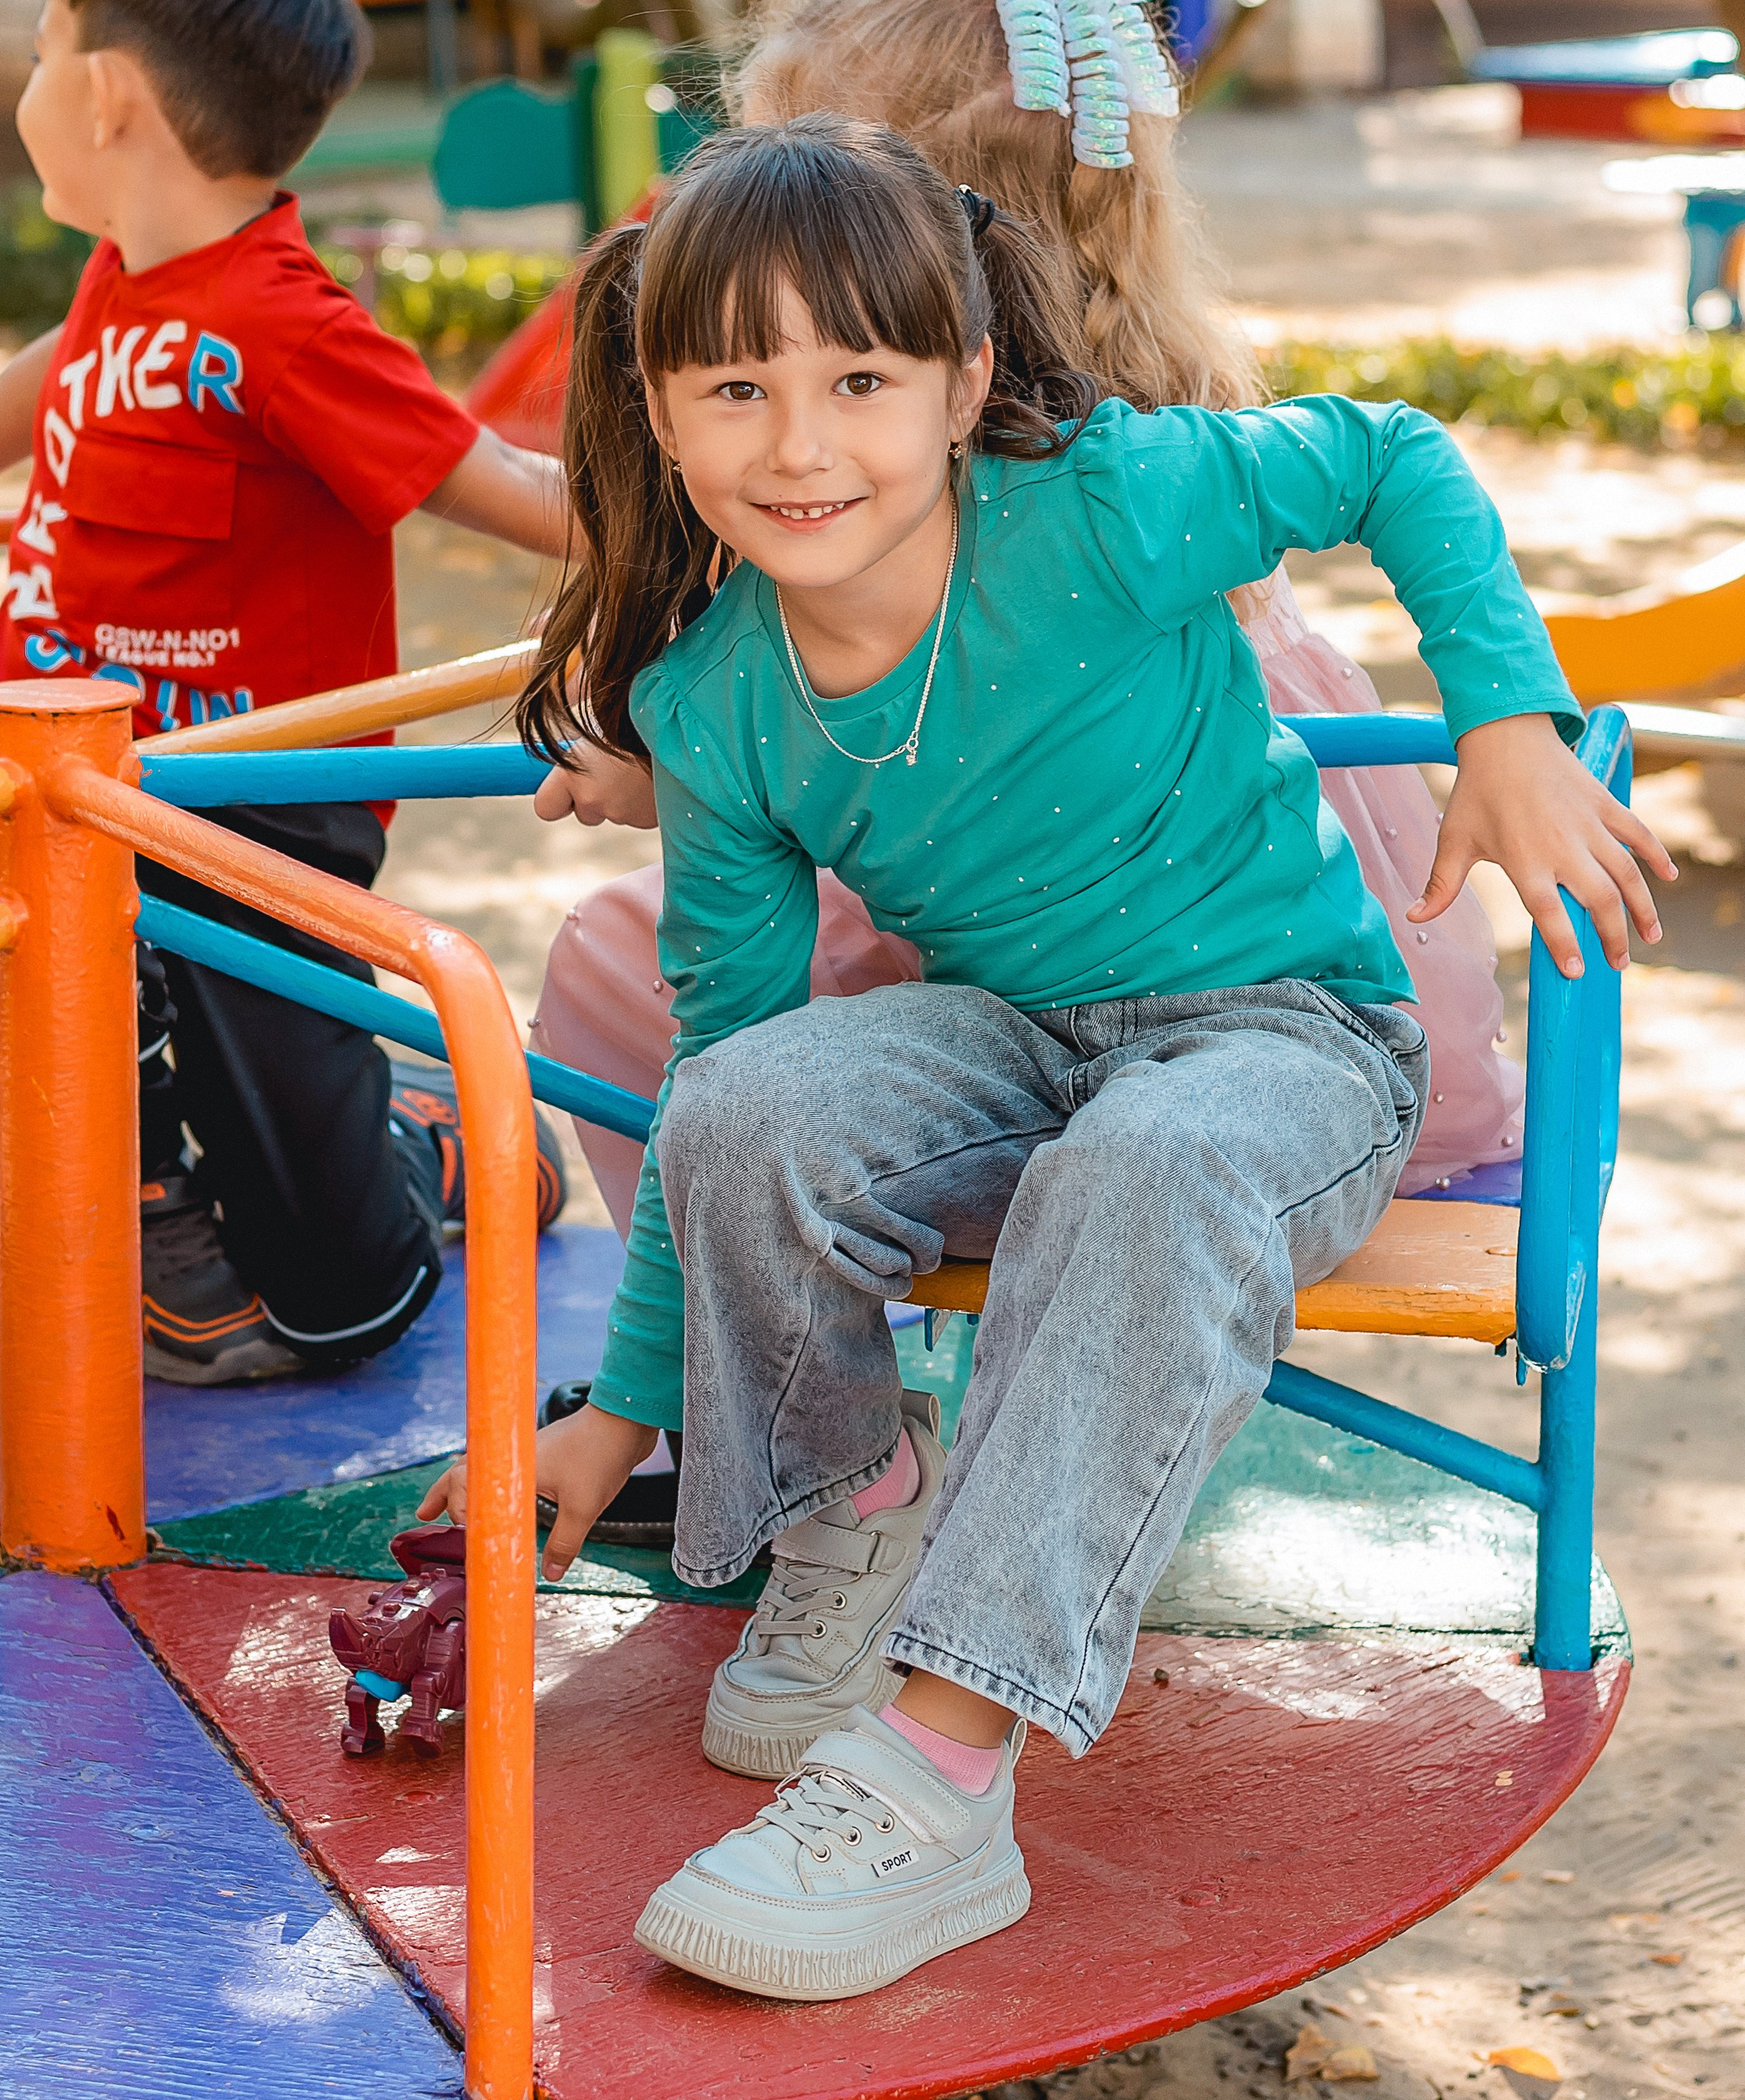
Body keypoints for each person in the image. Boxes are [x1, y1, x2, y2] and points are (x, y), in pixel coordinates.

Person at [423, 112, 1671, 1999]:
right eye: (737, 387)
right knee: (756, 1103)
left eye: (861, 376)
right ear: (660, 415)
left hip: (1285, 1036)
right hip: (1018, 1037)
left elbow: (1389, 457)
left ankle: (938, 1770)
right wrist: (614, 1412)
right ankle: (849, 1513)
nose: (803, 442)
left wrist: (1507, 715)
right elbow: (722, 1065)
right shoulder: (718, 697)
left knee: (1145, 1162)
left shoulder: (1096, 504)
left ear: (965, 380)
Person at [530, 0, 1526, 1263]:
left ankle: (783, 1381)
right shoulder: (1139, 421)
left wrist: (689, 773)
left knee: (616, 971)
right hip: (1318, 976)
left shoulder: (1015, 490)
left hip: (1128, 973)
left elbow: (930, 783)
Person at [3, 0, 567, 1384]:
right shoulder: (125, 281)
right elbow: (31, 395)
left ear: (109, 93)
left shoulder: (284, 325)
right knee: (54, 944)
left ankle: (434, 1145)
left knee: (334, 1307)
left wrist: (754, 522)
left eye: (46, 44)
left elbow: (507, 486)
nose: (31, 76)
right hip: (78, 785)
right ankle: (142, 1198)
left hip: (251, 815)